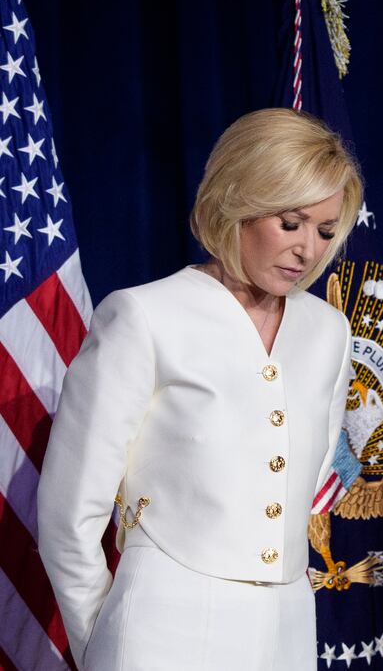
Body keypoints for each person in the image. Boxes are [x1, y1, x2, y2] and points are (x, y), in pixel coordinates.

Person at [38, 108, 363, 670]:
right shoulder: (144, 316)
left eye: (325, 230)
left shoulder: (328, 330)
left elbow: (304, 482)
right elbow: (69, 516)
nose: (307, 250)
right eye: (290, 223)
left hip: (286, 633)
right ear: (235, 203)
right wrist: (103, 642)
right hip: (160, 631)